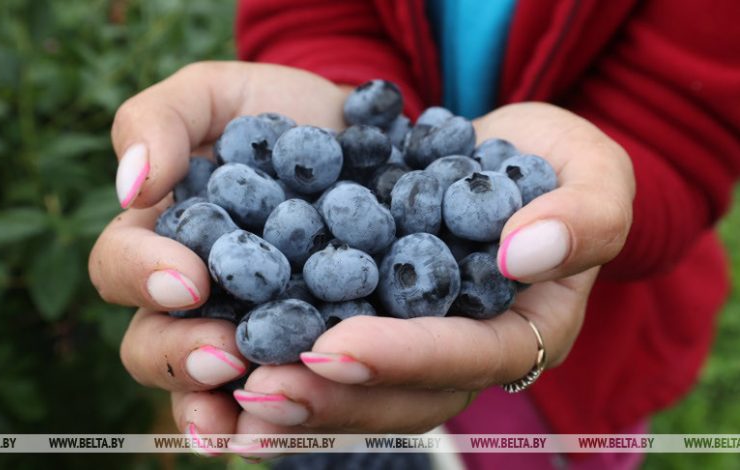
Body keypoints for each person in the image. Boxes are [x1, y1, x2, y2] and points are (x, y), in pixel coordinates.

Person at [89, 0, 740, 467]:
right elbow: (316, 15)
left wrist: (608, 192)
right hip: (323, 384)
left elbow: (685, 122)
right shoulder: (334, 198)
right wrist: (334, 87)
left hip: (591, 363)